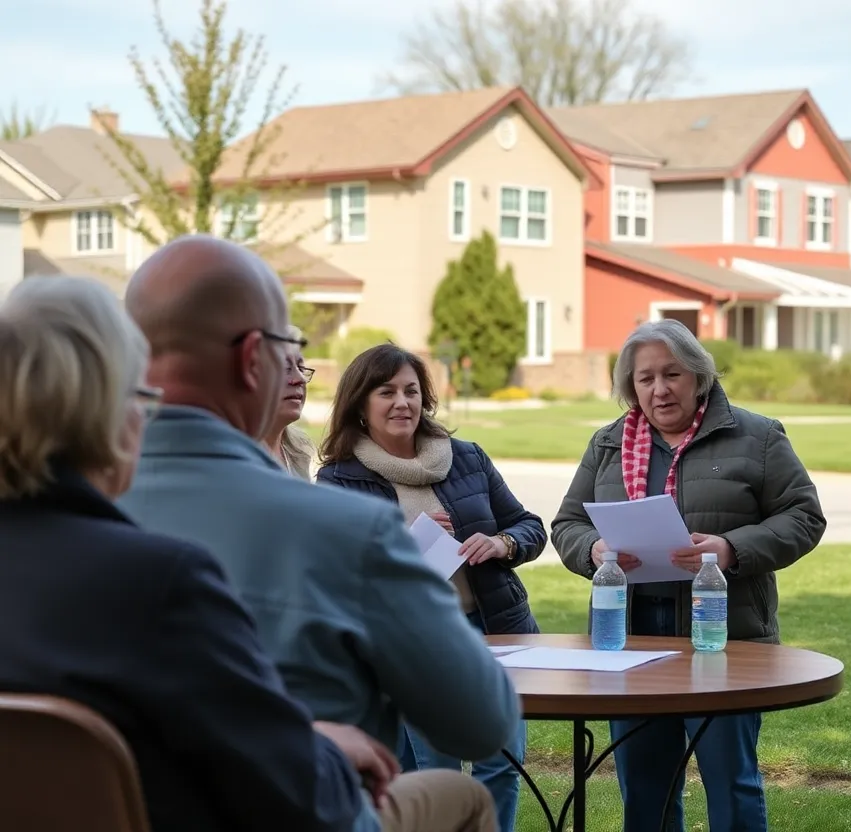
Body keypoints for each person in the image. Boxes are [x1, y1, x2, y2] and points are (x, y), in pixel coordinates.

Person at [115, 235, 517, 832]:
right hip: (297, 810)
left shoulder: (59, 527)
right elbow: (482, 724)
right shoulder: (351, 530)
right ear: (253, 359)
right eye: (289, 351)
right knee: (463, 797)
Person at [0, 275, 368, 831]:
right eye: (141, 401)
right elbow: (300, 798)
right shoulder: (160, 581)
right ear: (107, 413)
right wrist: (332, 751)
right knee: (453, 796)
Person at [551, 319, 826, 832]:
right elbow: (567, 524)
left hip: (723, 635)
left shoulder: (758, 436)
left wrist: (731, 548)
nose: (659, 389)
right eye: (645, 378)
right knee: (644, 786)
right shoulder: (608, 443)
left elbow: (805, 517)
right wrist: (595, 549)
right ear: (630, 387)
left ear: (699, 375)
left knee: (730, 781)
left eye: (672, 374)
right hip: (629, 636)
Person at [317, 343, 546, 832]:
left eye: (411, 391)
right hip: (410, 640)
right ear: (361, 403)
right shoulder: (339, 478)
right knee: (434, 772)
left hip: (494, 629)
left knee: (503, 761)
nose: (402, 403)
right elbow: (333, 570)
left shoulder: (466, 458)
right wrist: (401, 543)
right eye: (386, 392)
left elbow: (529, 524)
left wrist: (503, 542)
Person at [263, 324, 316, 480]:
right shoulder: (229, 455)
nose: (299, 379)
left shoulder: (300, 450)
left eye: (301, 368)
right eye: (285, 368)